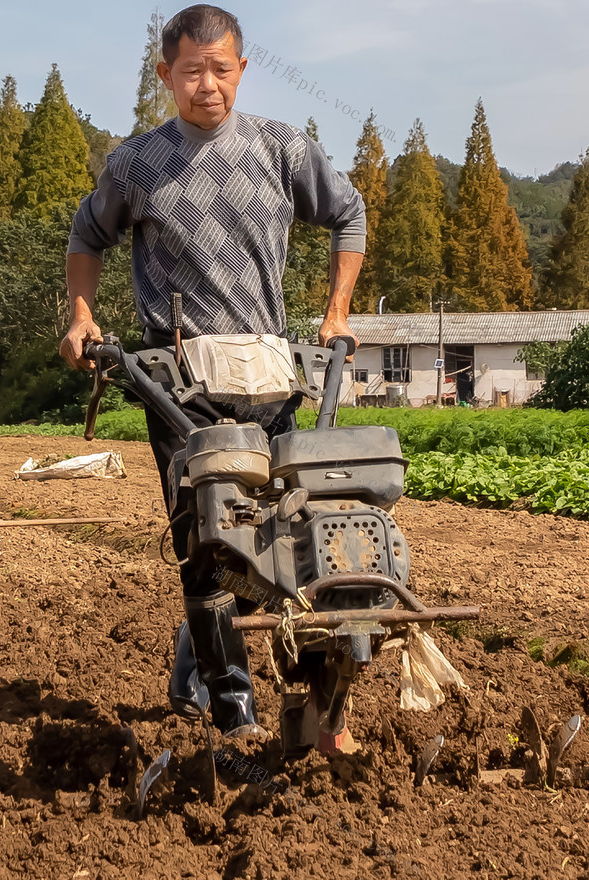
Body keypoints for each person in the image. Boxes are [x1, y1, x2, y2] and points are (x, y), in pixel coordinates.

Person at [59, 4, 365, 743]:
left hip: (269, 371)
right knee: (206, 541)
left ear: (241, 70)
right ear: (167, 75)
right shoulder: (136, 163)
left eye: (220, 69)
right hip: (177, 378)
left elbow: (349, 214)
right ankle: (234, 706)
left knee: (292, 535)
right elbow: (87, 234)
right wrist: (80, 318)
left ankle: (282, 677)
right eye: (191, 71)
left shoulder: (285, 150)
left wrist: (336, 311)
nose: (207, 85)